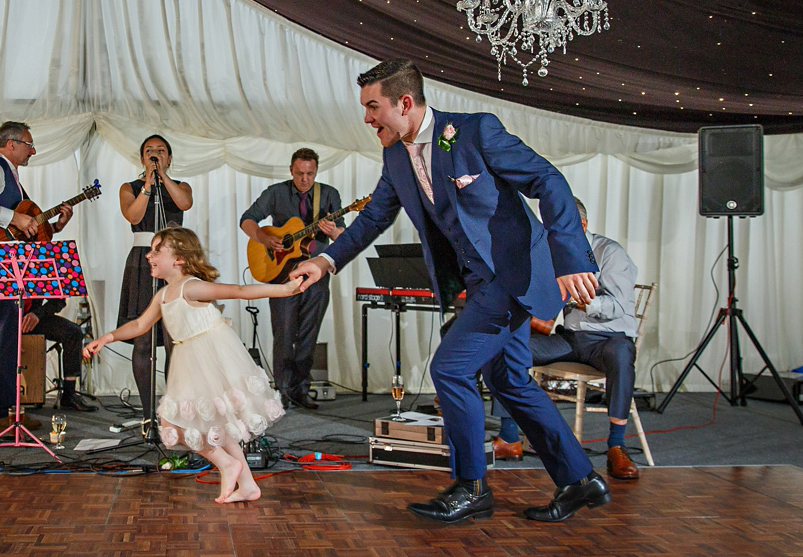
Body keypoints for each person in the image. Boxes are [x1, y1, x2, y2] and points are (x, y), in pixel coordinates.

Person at [291, 58, 610, 524]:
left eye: (372, 106)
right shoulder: (397, 156)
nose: (366, 118)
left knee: (450, 367)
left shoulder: (476, 131)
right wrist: (325, 260)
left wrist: (572, 259)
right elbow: (375, 217)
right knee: (509, 380)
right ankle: (580, 479)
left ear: (404, 102)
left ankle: (472, 486)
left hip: (516, 276)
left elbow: (549, 180)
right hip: (481, 282)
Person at [84, 226, 296, 503]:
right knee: (212, 422)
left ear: (180, 258)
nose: (149, 255)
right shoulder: (163, 295)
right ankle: (247, 485)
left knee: (174, 422)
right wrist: (106, 338)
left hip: (209, 357)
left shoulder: (190, 287)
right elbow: (139, 324)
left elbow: (241, 290)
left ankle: (228, 464)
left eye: (157, 250)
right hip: (188, 360)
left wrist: (286, 289)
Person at [492, 196, 642, 480]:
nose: (550, 233)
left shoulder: (610, 253)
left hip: (608, 339)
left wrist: (579, 296)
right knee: (506, 349)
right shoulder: (552, 253)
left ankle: (617, 446)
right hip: (570, 339)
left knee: (622, 354)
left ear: (582, 224)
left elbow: (618, 307)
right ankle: (511, 438)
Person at [0, 121, 74, 433]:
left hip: (5, 263)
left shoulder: (11, 177)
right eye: (28, 143)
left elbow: (25, 231)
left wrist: (58, 225)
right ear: (11, 144)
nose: (33, 150)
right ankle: (0, 410)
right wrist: (12, 216)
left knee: (3, 332)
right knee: (6, 333)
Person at [240, 147, 344, 409]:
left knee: (309, 334)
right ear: (291, 170)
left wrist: (333, 232)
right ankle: (283, 394)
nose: (305, 179)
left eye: (310, 174)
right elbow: (247, 219)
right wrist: (264, 238)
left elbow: (344, 239)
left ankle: (301, 391)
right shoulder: (276, 193)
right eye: (299, 173)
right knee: (284, 333)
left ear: (316, 171)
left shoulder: (329, 194)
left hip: (316, 273)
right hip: (282, 274)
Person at [117, 134, 193, 415]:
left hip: (174, 262)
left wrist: (163, 177)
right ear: (141, 158)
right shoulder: (130, 187)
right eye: (149, 150)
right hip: (142, 261)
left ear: (169, 158)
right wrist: (148, 185)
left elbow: (184, 204)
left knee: (174, 338)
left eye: (161, 151)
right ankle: (149, 414)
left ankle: (173, 409)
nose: (155, 154)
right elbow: (134, 217)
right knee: (144, 337)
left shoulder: (181, 185)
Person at [0, 299, 97, 424]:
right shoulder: (0, 271)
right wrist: (4, 334)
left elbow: (58, 301)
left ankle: (69, 394)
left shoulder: (41, 269)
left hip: (32, 320)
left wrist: (37, 314)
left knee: (74, 332)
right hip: (1, 322)